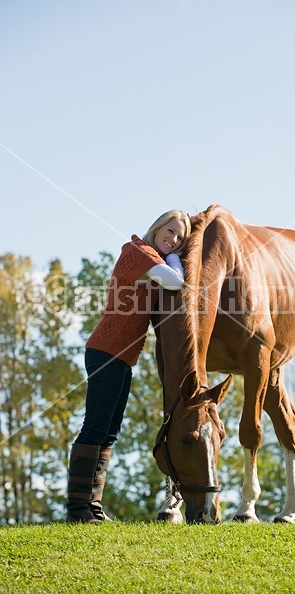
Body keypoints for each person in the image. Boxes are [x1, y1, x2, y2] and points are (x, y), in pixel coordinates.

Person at [66, 210, 191, 523]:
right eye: (171, 231)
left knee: (109, 432)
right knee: (95, 427)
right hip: (106, 351)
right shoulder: (138, 251)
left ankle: (93, 507)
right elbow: (175, 282)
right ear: (157, 227)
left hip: (121, 357)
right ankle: (77, 509)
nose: (173, 239)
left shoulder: (151, 259)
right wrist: (176, 256)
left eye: (179, 238)